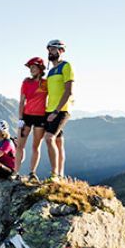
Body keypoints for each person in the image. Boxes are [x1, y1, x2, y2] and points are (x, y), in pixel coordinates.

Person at [44, 39, 74, 180]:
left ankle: (54, 174)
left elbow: (68, 91)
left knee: (49, 138)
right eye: (49, 49)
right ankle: (61, 175)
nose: (50, 52)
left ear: (61, 51)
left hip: (61, 110)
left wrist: (56, 111)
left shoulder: (66, 66)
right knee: (58, 141)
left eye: (53, 49)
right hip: (49, 109)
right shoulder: (50, 71)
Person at [17, 57, 48, 181]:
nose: (31, 70)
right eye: (30, 68)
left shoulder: (46, 83)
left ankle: (32, 173)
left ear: (40, 69)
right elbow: (21, 101)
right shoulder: (26, 82)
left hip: (41, 116)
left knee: (36, 146)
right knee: (20, 145)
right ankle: (15, 172)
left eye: (34, 67)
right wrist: (20, 118)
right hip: (27, 117)